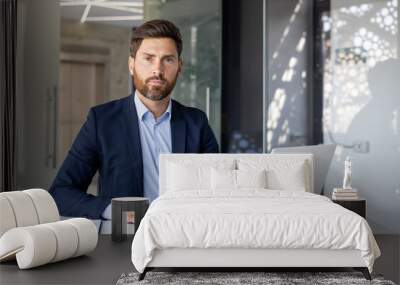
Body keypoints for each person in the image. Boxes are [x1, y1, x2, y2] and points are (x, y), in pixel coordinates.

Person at [49, 19, 219, 219]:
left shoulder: (196, 123)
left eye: (168, 59)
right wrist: (116, 211)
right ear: (131, 65)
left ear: (179, 67)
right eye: (148, 58)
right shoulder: (102, 121)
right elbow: (60, 193)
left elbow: (218, 190)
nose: (158, 69)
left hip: (184, 235)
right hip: (126, 239)